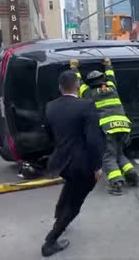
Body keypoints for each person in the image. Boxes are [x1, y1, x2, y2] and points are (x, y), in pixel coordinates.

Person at [42, 70, 105, 257]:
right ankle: (50, 241)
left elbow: (50, 135)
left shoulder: (50, 107)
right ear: (77, 85)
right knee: (75, 203)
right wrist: (97, 166)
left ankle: (58, 218)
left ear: (60, 87)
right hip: (82, 164)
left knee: (70, 187)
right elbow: (94, 140)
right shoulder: (86, 106)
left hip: (60, 162)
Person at [79, 58, 139, 196]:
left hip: (108, 128)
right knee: (119, 153)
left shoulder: (89, 93)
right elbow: (111, 76)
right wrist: (108, 65)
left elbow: (79, 83)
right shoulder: (112, 87)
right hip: (124, 126)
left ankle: (116, 183)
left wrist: (74, 68)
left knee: (107, 157)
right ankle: (132, 175)